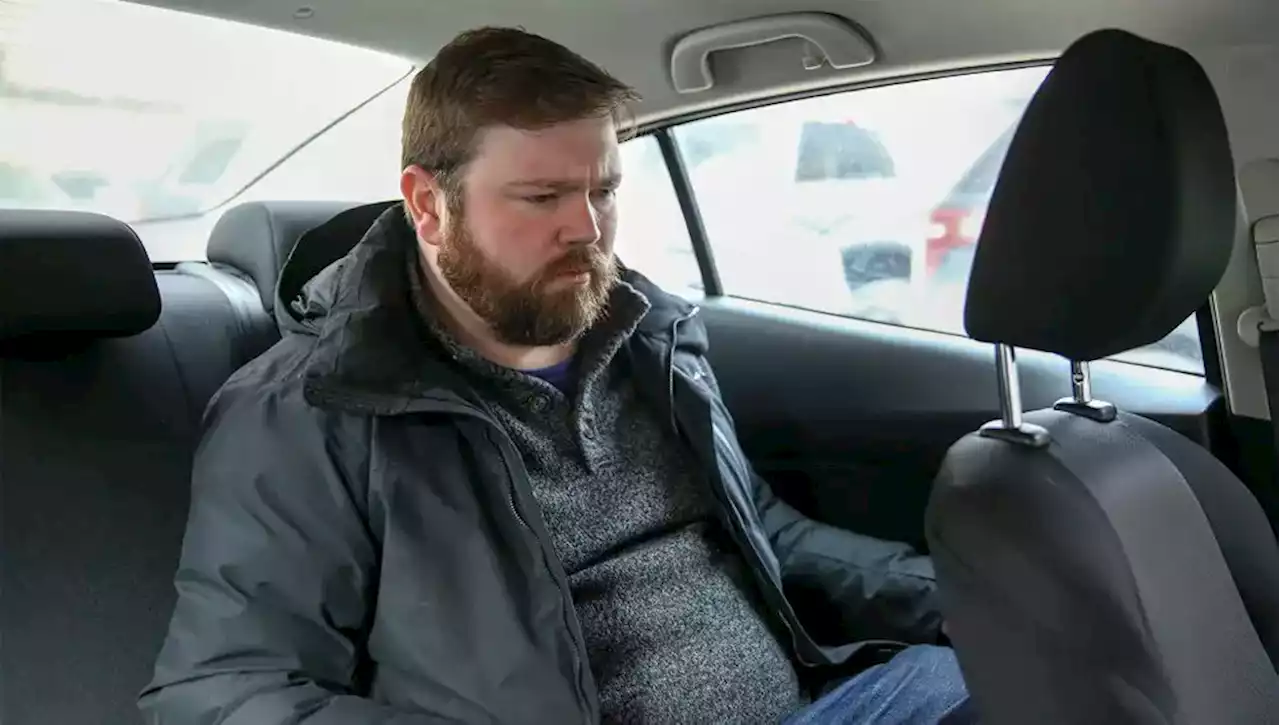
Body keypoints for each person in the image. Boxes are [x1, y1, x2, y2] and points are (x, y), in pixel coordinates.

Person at [140, 26, 977, 725]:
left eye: (603, 190)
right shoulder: (310, 409)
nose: (588, 229)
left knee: (1027, 680)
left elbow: (768, 534)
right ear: (428, 206)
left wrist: (972, 597)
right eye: (541, 198)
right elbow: (226, 689)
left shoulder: (649, 336)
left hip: (815, 704)